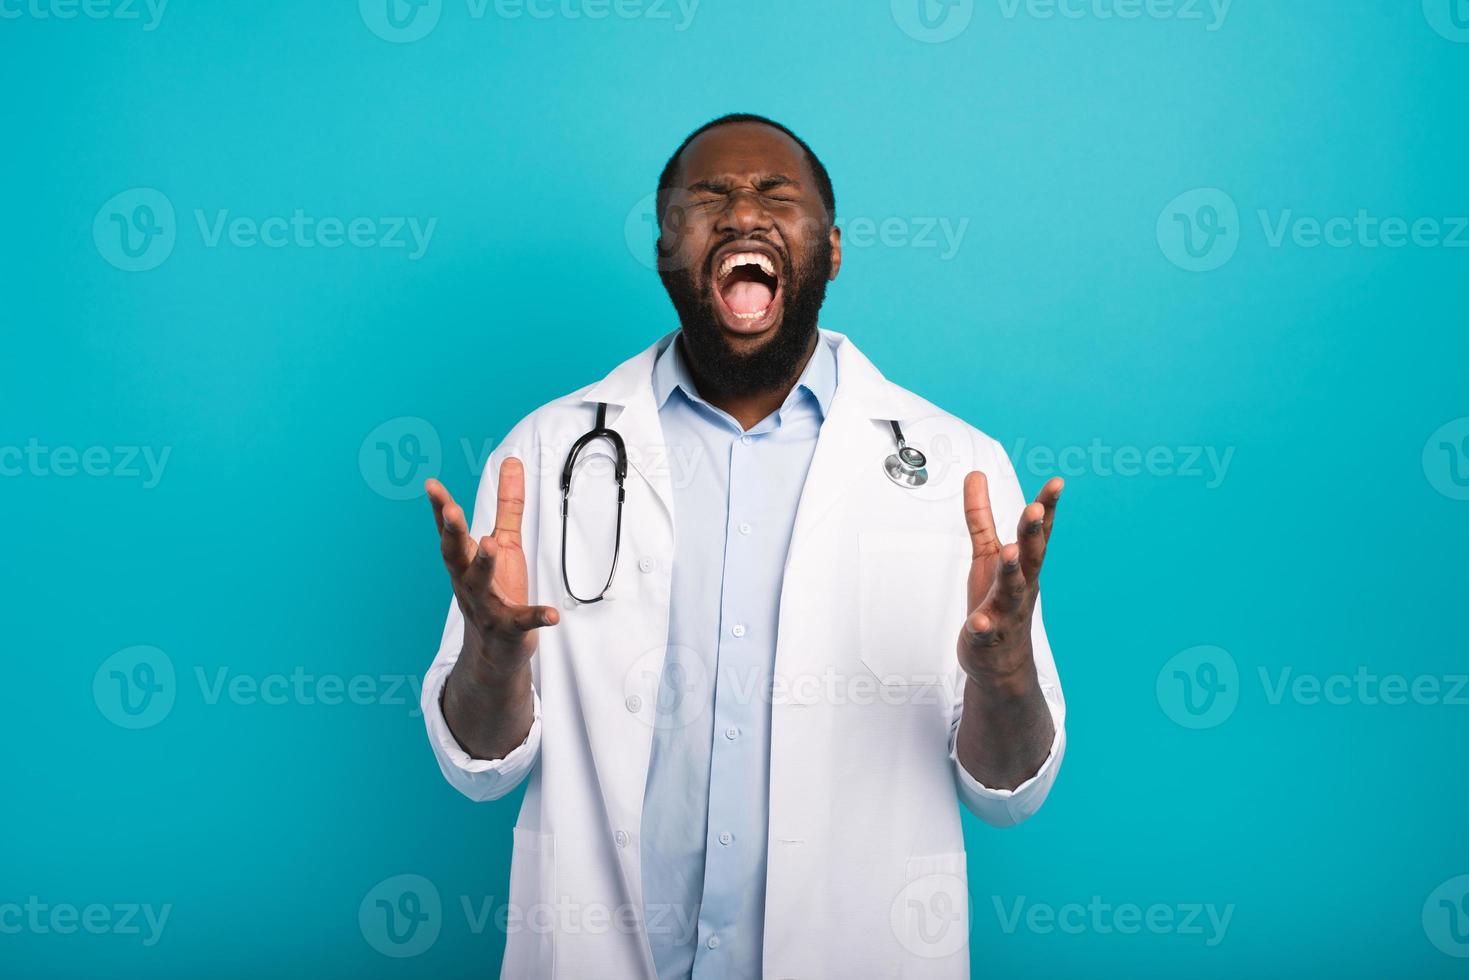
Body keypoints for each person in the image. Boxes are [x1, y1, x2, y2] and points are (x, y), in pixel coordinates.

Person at [420, 113, 1067, 980]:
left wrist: (1003, 676)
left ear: (830, 250)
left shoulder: (959, 468)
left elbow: (1011, 792)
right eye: (710, 197)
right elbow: (478, 772)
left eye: (775, 195)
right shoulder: (542, 455)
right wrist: (494, 659)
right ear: (664, 249)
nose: (741, 215)